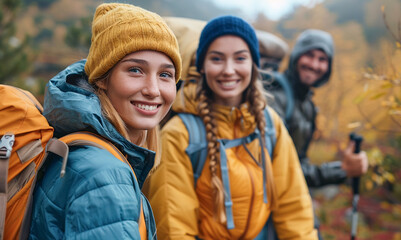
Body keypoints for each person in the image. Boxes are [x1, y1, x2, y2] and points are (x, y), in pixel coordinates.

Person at [145, 15, 317, 239]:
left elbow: (294, 209)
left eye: (240, 58)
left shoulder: (269, 124)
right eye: (217, 59)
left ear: (254, 65)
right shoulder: (179, 135)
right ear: (202, 65)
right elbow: (174, 228)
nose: (228, 70)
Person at [28, 3, 181, 239]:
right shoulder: (104, 174)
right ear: (102, 79)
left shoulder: (79, 150)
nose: (153, 90)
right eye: (135, 70)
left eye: (165, 74)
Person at [263, 29, 368, 238]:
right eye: (309, 55)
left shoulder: (307, 104)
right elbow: (277, 169)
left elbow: (299, 162)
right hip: (271, 210)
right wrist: (341, 170)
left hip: (293, 202)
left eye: (322, 59)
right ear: (296, 56)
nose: (314, 64)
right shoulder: (276, 96)